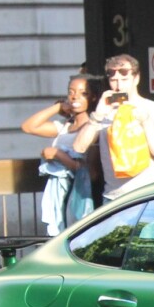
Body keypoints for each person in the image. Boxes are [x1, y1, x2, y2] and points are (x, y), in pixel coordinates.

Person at [72, 54, 154, 202]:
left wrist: (145, 121)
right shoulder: (105, 110)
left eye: (124, 80)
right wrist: (97, 115)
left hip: (147, 198)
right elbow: (79, 148)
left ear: (136, 78)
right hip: (113, 199)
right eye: (113, 80)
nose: (119, 86)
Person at [20, 74, 94, 235]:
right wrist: (58, 107)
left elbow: (87, 169)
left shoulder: (92, 127)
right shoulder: (65, 125)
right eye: (71, 92)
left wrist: (58, 154)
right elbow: (28, 126)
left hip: (79, 192)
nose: (75, 96)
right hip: (60, 190)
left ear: (92, 97)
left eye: (83, 93)